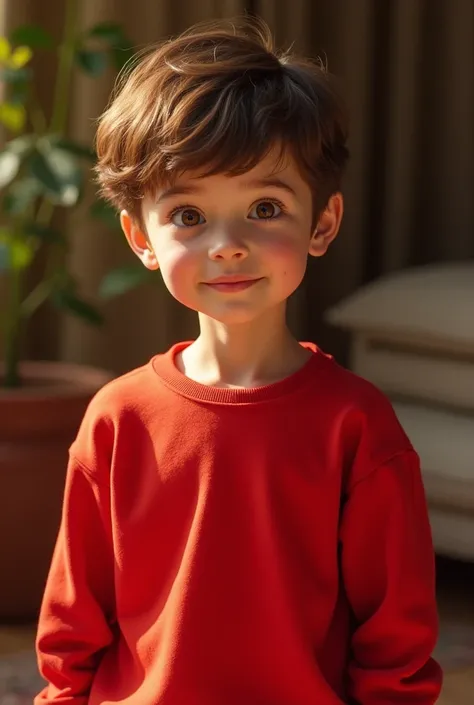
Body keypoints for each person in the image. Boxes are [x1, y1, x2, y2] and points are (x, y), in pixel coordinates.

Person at [35, 16, 443, 705]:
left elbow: (394, 637)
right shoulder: (117, 416)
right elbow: (73, 620)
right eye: (189, 216)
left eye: (263, 206)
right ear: (141, 236)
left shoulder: (356, 422)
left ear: (322, 223)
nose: (227, 244)